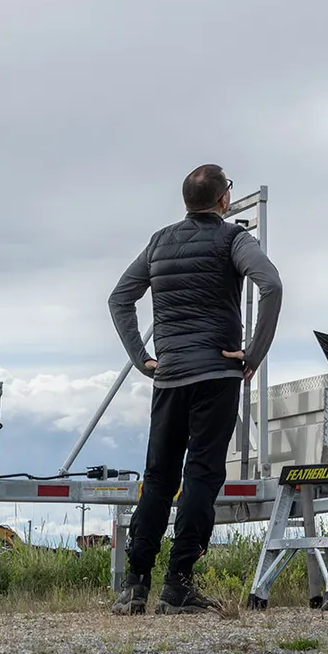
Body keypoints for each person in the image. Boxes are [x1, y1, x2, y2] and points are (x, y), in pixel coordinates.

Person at [108, 164, 283, 615]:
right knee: (201, 475)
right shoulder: (234, 239)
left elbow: (120, 297)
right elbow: (271, 285)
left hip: (168, 378)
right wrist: (253, 353)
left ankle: (134, 586)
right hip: (216, 376)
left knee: (159, 479)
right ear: (224, 200)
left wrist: (140, 357)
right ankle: (179, 584)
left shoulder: (159, 241)